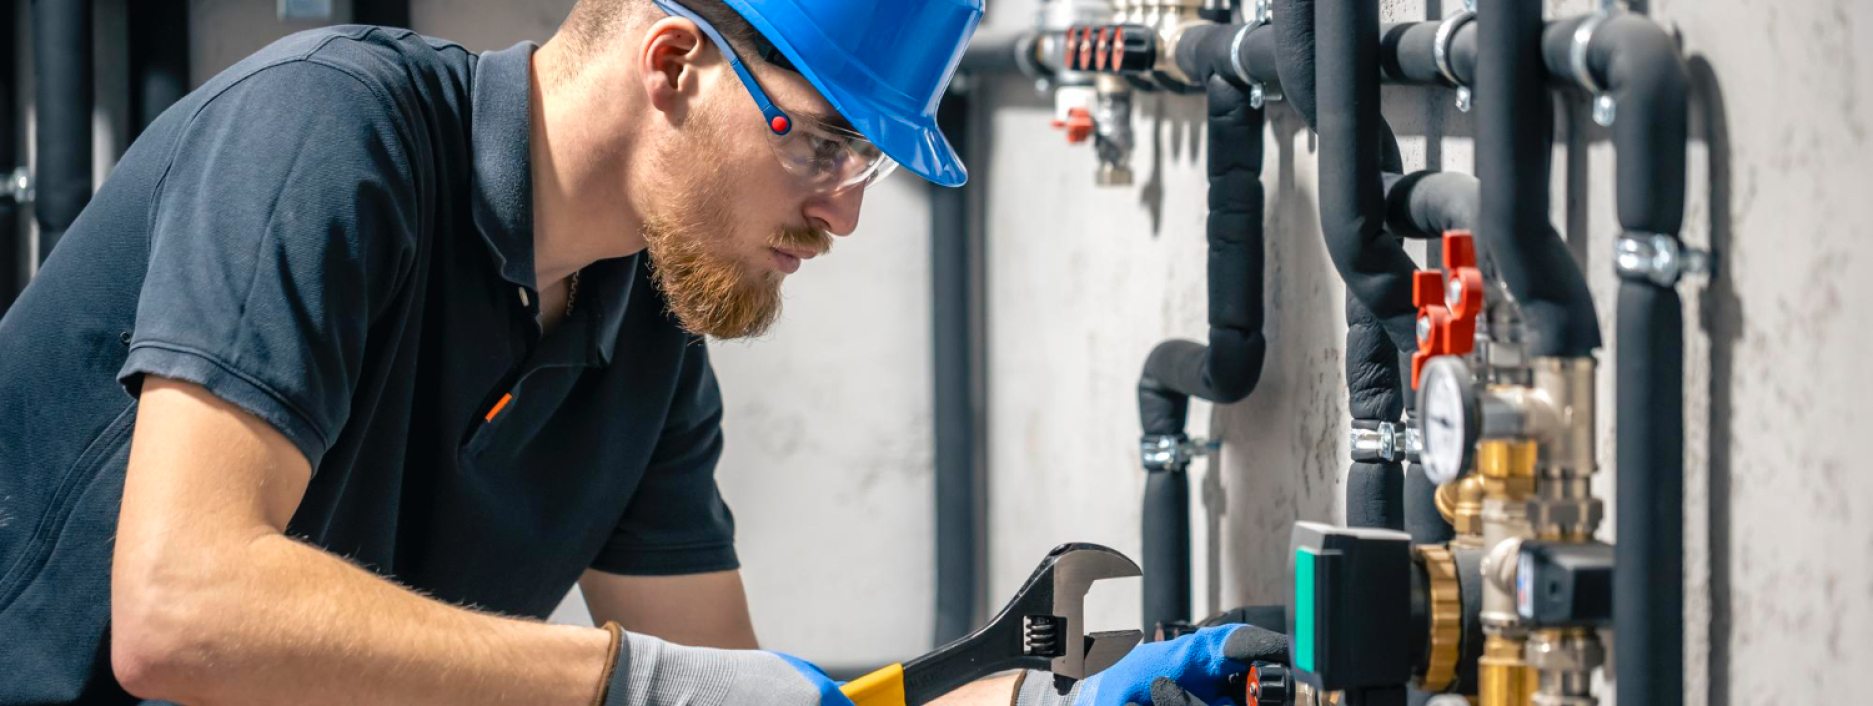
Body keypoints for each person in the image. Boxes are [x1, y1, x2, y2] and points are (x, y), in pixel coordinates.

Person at [0, 0, 1278, 702]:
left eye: (870, 164)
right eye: (825, 146)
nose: (843, 209)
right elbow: (179, 611)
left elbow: (725, 698)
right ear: (674, 63)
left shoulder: (646, 338)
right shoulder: (328, 135)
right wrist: (632, 682)